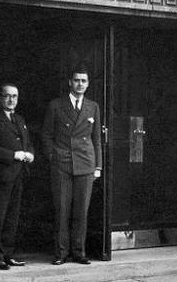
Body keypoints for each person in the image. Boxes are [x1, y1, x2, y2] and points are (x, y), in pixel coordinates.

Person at [41, 67, 102, 265]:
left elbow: (96, 139)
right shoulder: (56, 105)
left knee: (81, 211)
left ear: (88, 84)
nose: (80, 84)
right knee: (62, 210)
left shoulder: (93, 106)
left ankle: (79, 252)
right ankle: (61, 253)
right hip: (62, 163)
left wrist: (98, 166)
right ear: (70, 82)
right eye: (76, 80)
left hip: (85, 162)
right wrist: (52, 156)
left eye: (84, 81)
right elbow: (47, 135)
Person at [0, 83, 34, 270]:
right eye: (7, 96)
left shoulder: (19, 119)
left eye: (15, 96)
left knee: (12, 218)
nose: (11, 99)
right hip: (1, 176)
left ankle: (7, 254)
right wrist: (13, 155)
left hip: (18, 175)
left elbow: (27, 142)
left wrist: (30, 153)